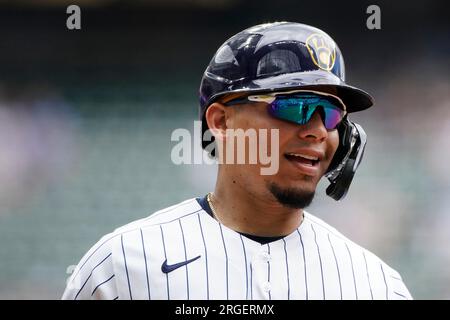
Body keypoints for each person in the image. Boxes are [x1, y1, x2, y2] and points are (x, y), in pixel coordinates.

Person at [62, 21, 412, 300]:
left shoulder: (376, 284)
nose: (318, 131)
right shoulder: (123, 265)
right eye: (295, 106)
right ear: (221, 122)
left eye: (332, 114)